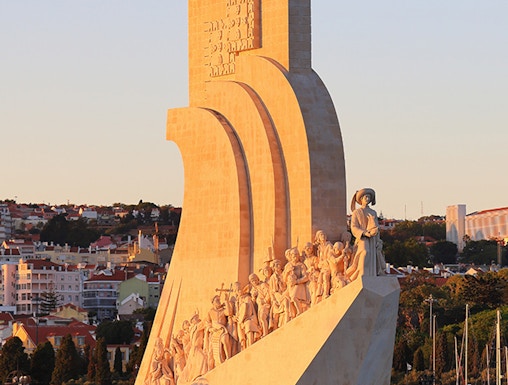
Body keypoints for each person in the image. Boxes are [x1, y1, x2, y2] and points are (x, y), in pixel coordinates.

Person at [349, 188, 381, 279]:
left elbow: (376, 226)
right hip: (362, 238)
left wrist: (377, 238)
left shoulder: (373, 212)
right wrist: (364, 233)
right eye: (366, 197)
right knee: (365, 252)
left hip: (373, 238)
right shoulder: (357, 212)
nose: (367, 199)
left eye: (369, 197)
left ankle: (371, 275)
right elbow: (353, 227)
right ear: (361, 199)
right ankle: (361, 273)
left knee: (372, 256)